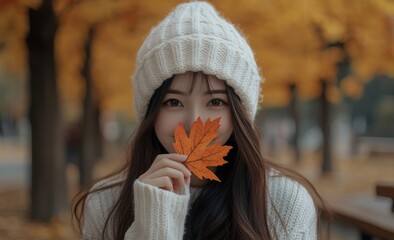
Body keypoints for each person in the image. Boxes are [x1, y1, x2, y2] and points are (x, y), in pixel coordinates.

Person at [72, 1, 326, 239]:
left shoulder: (285, 203)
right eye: (173, 102)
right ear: (151, 113)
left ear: (239, 114)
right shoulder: (105, 204)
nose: (194, 122)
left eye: (215, 102)